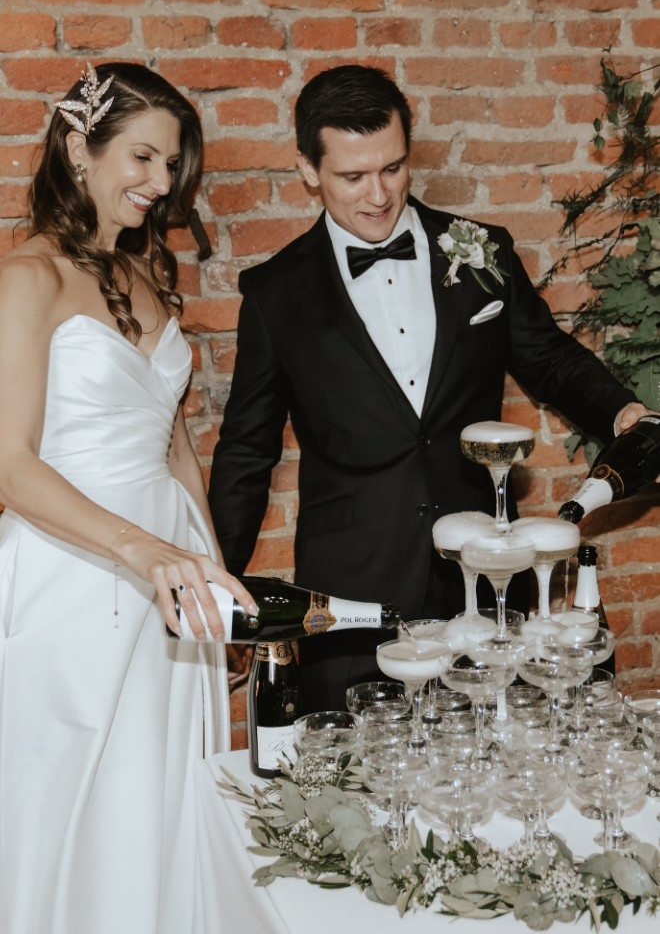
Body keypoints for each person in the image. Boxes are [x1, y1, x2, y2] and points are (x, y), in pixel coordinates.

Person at [208, 64, 649, 713]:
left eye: (393, 168)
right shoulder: (275, 293)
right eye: (353, 176)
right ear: (308, 169)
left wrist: (621, 410)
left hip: (481, 576)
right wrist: (222, 584)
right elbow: (248, 450)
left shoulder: (481, 251)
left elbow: (549, 357)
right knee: (355, 766)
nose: (378, 194)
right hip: (351, 587)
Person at [0, 62, 255, 934]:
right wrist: (140, 551)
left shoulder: (144, 276)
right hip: (74, 572)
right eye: (142, 157)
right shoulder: (26, 278)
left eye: (171, 163)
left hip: (173, 576)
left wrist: (213, 577)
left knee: (166, 797)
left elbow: (176, 448)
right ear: (79, 148)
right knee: (75, 801)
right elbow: (10, 467)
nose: (159, 181)